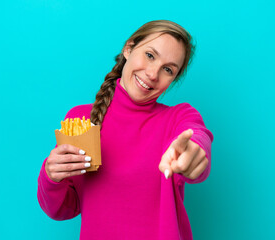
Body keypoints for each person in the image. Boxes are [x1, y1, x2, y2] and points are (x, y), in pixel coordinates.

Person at [37, 20, 214, 240]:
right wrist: (51, 176)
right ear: (129, 48)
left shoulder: (178, 118)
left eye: (168, 69)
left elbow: (197, 136)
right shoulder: (80, 120)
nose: (152, 74)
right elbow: (62, 209)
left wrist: (194, 152)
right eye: (150, 55)